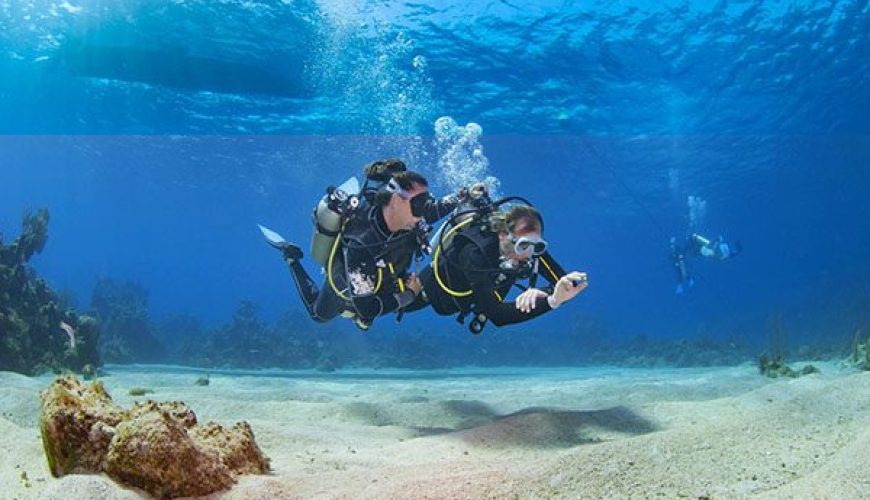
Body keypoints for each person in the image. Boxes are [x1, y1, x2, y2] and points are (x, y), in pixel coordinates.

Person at [267, 160, 479, 330]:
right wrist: (409, 295)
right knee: (319, 315)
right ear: (396, 200)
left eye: (423, 203)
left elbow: (433, 211)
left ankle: (362, 316)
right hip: (345, 282)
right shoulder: (362, 242)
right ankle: (291, 258)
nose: (423, 211)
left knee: (366, 312)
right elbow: (368, 307)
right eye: (418, 205)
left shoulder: (408, 216)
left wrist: (465, 195)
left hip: (382, 276)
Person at [410, 203, 588, 333]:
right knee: (394, 304)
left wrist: (545, 293)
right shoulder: (474, 253)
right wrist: (552, 301)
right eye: (523, 245)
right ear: (502, 234)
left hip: (473, 301)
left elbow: (565, 286)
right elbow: (498, 316)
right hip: (433, 293)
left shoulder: (533, 250)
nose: (529, 255)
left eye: (537, 246)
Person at [670, 233, 742, 294]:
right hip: (703, 249)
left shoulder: (717, 253)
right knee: (712, 252)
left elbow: (710, 245)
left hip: (704, 249)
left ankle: (687, 280)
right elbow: (713, 247)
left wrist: (717, 241)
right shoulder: (719, 254)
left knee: (710, 252)